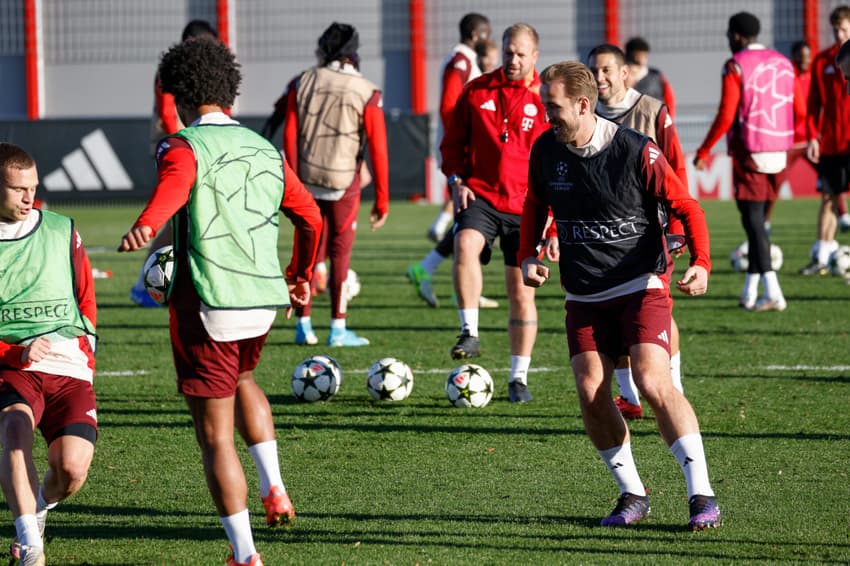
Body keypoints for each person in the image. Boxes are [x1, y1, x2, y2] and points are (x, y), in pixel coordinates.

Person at [117, 38, 322, 566]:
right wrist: (300, 274)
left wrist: (146, 223)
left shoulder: (182, 145)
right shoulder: (264, 149)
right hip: (262, 303)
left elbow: (177, 186)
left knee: (214, 440)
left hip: (208, 304)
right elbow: (312, 219)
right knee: (246, 381)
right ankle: (275, 488)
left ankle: (245, 555)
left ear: (177, 94)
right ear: (229, 89)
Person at [519, 60, 721, 530]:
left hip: (640, 284)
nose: (546, 114)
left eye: (553, 106)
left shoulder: (635, 150)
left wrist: (702, 263)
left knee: (652, 381)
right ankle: (632, 494)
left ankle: (702, 495)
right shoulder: (547, 150)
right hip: (585, 293)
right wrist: (529, 252)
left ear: (583, 104)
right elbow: (535, 202)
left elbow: (686, 206)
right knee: (591, 390)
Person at [0, 143, 99, 565]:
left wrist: (88, 353)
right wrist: (14, 350)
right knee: (14, 432)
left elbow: (85, 297)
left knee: (72, 471)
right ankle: (31, 548)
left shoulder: (61, 229)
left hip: (68, 365)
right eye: (18, 189)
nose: (28, 198)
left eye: (33, 188)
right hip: (11, 368)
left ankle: (37, 509)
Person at [440, 23, 548, 402]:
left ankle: (518, 378)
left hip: (527, 205)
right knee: (465, 243)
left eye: (521, 54)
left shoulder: (547, 99)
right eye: (508, 52)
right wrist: (457, 179)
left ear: (535, 56)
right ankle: (469, 332)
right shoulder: (476, 90)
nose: (513, 60)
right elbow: (451, 145)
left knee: (522, 294)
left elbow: (557, 164)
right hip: (481, 196)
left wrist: (551, 223)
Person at [584, 43, 688, 419]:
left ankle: (673, 387)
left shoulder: (651, 111)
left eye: (607, 70)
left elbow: (676, 168)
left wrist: (677, 227)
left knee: (655, 309)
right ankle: (629, 396)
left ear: (625, 72)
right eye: (594, 70)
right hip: (599, 236)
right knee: (614, 314)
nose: (600, 78)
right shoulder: (585, 113)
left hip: (650, 233)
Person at [282, 22, 389, 347]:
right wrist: (382, 198)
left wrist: (295, 180)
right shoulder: (367, 90)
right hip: (344, 182)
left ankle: (304, 326)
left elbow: (289, 135)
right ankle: (338, 329)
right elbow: (378, 146)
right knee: (340, 255)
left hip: (307, 181)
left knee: (310, 251)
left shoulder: (302, 81)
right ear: (353, 53)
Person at [695, 12, 795, 312]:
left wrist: (704, 150)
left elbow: (727, 113)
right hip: (781, 149)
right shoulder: (783, 62)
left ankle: (773, 290)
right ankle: (751, 290)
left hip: (750, 150)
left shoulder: (736, 65)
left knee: (753, 222)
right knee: (757, 221)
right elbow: (798, 107)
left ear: (735, 36)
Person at [130, 19, 220, 308]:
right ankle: (148, 283)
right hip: (180, 147)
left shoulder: (197, 68)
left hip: (190, 144)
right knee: (181, 217)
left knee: (184, 218)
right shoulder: (172, 69)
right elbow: (169, 113)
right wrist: (185, 143)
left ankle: (152, 283)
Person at [407, 13, 494, 309]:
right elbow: (449, 105)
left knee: (472, 218)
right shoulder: (461, 61)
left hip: (468, 147)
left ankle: (434, 270)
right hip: (464, 150)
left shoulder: (465, 60)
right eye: (486, 34)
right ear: (475, 34)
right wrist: (462, 146)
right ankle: (434, 271)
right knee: (475, 217)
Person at [801, 4, 850, 275]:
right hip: (832, 142)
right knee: (829, 198)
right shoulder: (822, 61)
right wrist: (812, 137)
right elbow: (813, 105)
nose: (839, 34)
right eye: (836, 29)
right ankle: (821, 255)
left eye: (843, 28)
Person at [624, 36, 677, 118]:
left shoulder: (655, 76)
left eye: (644, 56)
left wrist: (669, 120)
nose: (643, 59)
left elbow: (669, 99)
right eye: (640, 56)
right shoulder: (620, 77)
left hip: (653, 121)